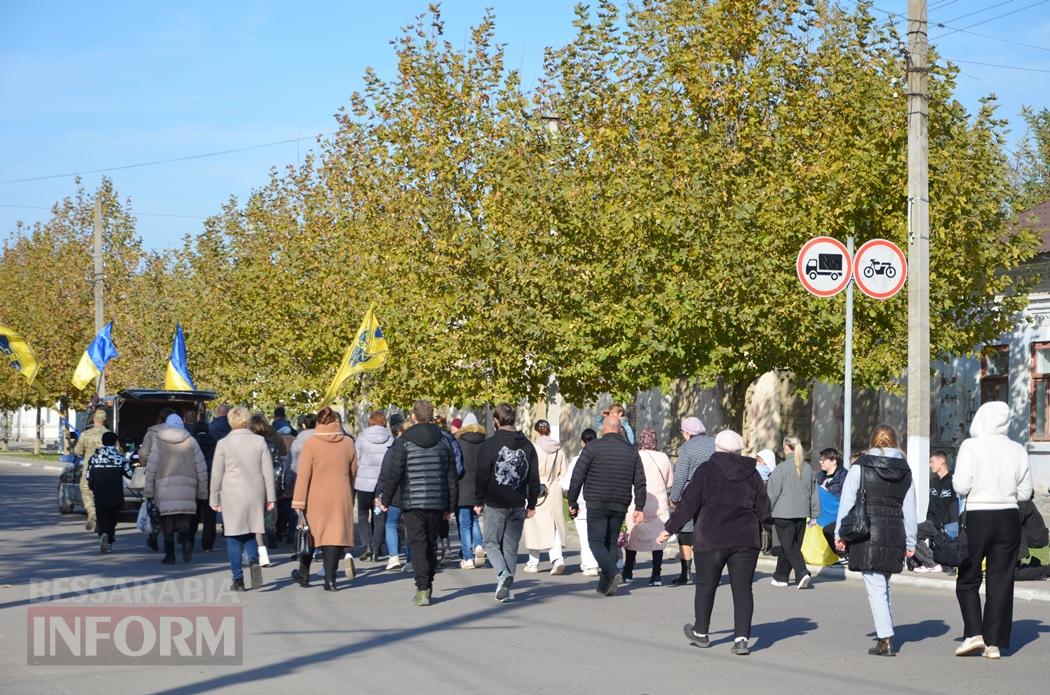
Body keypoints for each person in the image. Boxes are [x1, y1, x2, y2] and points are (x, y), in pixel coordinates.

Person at [659, 430, 772, 656]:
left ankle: (701, 632)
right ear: (739, 449)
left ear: (716, 447)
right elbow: (763, 505)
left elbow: (689, 503)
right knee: (742, 590)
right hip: (745, 539)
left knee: (705, 585)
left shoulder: (706, 470)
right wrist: (768, 525)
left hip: (711, 537)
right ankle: (741, 639)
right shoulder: (752, 473)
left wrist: (669, 529)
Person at [953, 401, 1033, 659]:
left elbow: (962, 486)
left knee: (968, 575)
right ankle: (994, 643)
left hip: (978, 515)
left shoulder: (971, 446)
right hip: (1009, 517)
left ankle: (974, 633)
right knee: (1001, 580)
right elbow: (1025, 492)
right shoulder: (1017, 449)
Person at [834, 425, 917, 657]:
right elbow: (910, 509)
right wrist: (911, 542)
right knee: (883, 584)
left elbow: (847, 502)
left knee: (876, 587)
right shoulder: (905, 470)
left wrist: (839, 534)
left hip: (867, 530)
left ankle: (885, 639)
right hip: (895, 530)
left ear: (872, 441)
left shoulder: (860, 467)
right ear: (895, 442)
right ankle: (886, 633)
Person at [377, 400, 457, 606]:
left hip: (413, 501)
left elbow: (395, 472)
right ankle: (427, 582)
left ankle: (422, 588)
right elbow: (451, 475)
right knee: (430, 543)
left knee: (418, 544)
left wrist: (386, 498)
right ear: (431, 416)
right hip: (437, 500)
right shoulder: (444, 440)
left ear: (413, 416)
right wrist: (451, 505)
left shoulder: (404, 441)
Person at [567, 414, 646, 597]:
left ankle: (612, 572)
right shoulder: (631, 451)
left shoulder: (593, 447)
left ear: (603, 428)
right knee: (610, 542)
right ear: (620, 430)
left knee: (595, 542)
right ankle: (605, 585)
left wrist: (572, 500)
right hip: (620, 502)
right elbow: (640, 482)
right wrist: (639, 507)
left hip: (597, 500)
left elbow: (578, 475)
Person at [475, 403, 541, 602]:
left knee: (490, 543)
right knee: (510, 547)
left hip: (495, 502)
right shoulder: (527, 445)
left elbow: (482, 475)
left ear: (496, 421)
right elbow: (533, 476)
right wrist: (532, 503)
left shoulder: (490, 445)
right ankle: (504, 588)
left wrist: (478, 500)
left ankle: (504, 574)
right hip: (517, 501)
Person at [291, 406, 358, 591]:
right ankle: (330, 579)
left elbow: (304, 474)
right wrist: (349, 489)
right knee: (334, 537)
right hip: (340, 495)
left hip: (316, 496)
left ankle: (304, 573)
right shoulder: (347, 443)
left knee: (310, 534)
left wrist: (298, 502)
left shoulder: (312, 443)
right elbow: (353, 471)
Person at [210, 406, 276, 591]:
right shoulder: (259, 442)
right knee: (250, 532)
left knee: (233, 537)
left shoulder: (223, 444)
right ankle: (254, 560)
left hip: (231, 494)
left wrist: (214, 498)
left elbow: (217, 474)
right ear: (247, 421)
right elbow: (268, 472)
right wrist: (271, 497)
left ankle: (237, 579)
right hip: (255, 492)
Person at [144, 413, 209, 565]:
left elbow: (151, 468)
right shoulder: (191, 441)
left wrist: (149, 491)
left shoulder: (159, 441)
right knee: (184, 519)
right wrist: (202, 491)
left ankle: (170, 556)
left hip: (164, 487)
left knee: (167, 522)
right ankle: (186, 539)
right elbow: (201, 468)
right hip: (188, 487)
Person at [668, 417, 715, 586]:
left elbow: (680, 476)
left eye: (682, 432)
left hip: (692, 494)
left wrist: (674, 498)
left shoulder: (687, 448)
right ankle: (709, 573)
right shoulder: (715, 443)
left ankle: (686, 574)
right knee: (708, 533)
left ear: (688, 433)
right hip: (714, 494)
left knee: (686, 533)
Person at [767, 436, 819, 589]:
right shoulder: (808, 468)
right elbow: (814, 493)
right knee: (789, 546)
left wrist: (766, 512)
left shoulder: (781, 468)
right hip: (801, 513)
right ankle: (780, 576)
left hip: (783, 514)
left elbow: (772, 494)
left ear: (786, 448)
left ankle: (802, 572)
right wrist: (814, 513)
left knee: (789, 546)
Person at [624, 427, 672, 586]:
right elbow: (669, 481)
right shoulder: (664, 457)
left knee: (633, 538)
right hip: (659, 503)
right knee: (657, 540)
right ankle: (656, 575)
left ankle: (628, 572)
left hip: (638, 501)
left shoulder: (635, 455)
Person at [523, 420, 568, 575]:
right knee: (554, 525)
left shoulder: (532, 449)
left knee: (533, 524)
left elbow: (527, 471)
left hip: (536, 488)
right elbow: (564, 474)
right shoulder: (558, 450)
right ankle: (557, 559)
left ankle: (533, 562)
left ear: (536, 432)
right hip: (553, 489)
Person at [912, 450, 960, 573]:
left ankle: (940, 564)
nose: (930, 465)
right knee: (909, 532)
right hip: (932, 524)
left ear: (942, 461)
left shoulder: (954, 481)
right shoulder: (934, 481)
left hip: (948, 526)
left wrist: (950, 526)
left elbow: (955, 506)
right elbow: (932, 505)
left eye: (932, 461)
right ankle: (932, 563)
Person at [87, 431, 133, 553]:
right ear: (115, 442)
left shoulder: (95, 458)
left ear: (102, 442)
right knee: (112, 518)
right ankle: (110, 539)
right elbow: (130, 474)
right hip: (115, 493)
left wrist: (92, 488)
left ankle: (103, 533)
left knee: (101, 516)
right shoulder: (120, 458)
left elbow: (88, 476)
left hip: (100, 493)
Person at [354, 411, 392, 561]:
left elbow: (356, 459)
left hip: (363, 483)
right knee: (379, 516)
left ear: (370, 422)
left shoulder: (362, 439)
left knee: (363, 514)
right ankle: (377, 549)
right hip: (382, 484)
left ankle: (367, 546)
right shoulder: (390, 439)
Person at [138, 408, 176, 551]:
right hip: (174, 473)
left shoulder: (152, 432)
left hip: (156, 474)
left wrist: (146, 463)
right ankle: (175, 534)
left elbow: (143, 452)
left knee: (155, 507)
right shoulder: (180, 432)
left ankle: (154, 535)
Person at [249, 414, 287, 551]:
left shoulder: (249, 443)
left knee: (255, 509)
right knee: (270, 507)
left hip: (253, 480)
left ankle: (257, 536)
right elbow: (282, 454)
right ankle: (271, 531)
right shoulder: (273, 439)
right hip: (271, 477)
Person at [454, 412, 487, 568]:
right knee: (475, 518)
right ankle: (479, 545)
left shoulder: (459, 442)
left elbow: (457, 467)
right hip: (479, 485)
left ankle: (467, 558)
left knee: (464, 522)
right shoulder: (485, 442)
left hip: (463, 485)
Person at [380, 414, 411, 571]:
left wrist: (383, 495)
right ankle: (411, 559)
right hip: (413, 493)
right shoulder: (415, 448)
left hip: (395, 495)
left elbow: (386, 474)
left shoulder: (393, 450)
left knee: (391, 524)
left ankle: (393, 557)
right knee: (411, 527)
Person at [74, 409, 111, 532]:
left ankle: (91, 511)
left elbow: (78, 452)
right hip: (106, 470)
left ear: (94, 419)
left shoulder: (85, 434)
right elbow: (118, 451)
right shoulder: (110, 434)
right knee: (104, 494)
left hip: (89, 469)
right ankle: (102, 518)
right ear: (105, 420)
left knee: (86, 490)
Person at [188, 418, 218, 552]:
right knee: (209, 515)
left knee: (193, 513)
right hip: (211, 480)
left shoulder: (190, 442)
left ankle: (189, 539)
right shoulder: (214, 442)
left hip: (194, 480)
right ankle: (208, 543)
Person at [817, 447, 848, 562]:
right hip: (822, 515)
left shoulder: (844, 476)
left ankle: (843, 555)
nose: (820, 462)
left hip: (837, 514)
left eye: (824, 459)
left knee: (829, 530)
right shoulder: (820, 475)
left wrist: (826, 493)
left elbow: (845, 498)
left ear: (834, 460)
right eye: (820, 459)